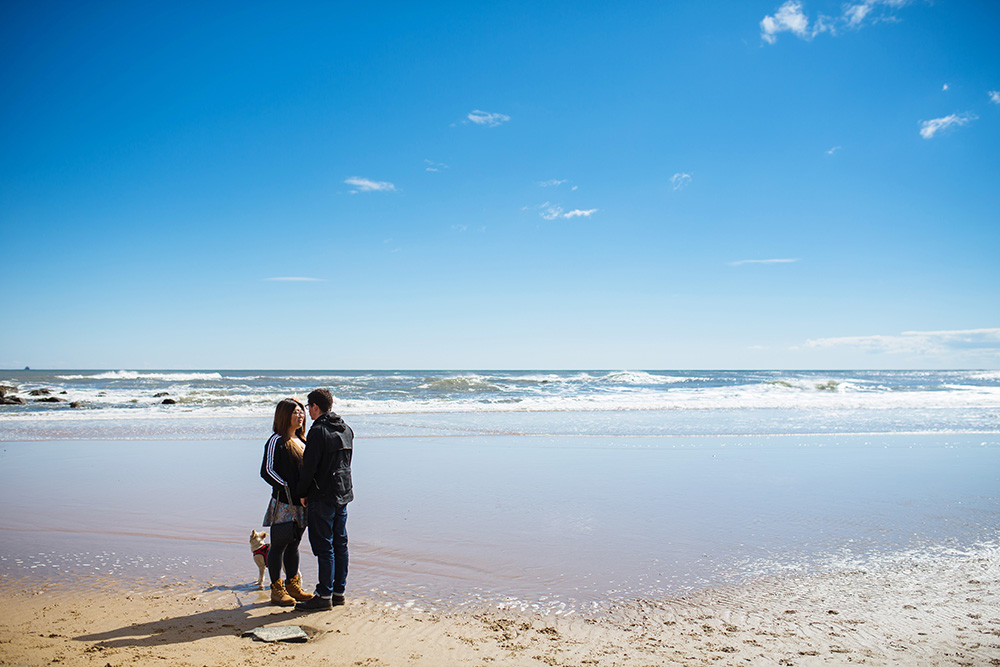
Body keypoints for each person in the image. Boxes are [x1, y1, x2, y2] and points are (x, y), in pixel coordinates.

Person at [294, 388, 354, 611]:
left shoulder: (318, 431)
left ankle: (323, 594)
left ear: (315, 407)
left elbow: (309, 467)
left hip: (323, 495)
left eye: (308, 407)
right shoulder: (346, 429)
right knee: (340, 543)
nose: (307, 411)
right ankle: (338, 592)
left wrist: (302, 492)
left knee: (324, 546)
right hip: (343, 492)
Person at [260, 398, 314, 606]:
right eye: (295, 413)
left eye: (302, 412)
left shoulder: (304, 440)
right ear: (284, 416)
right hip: (283, 503)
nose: (300, 416)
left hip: (302, 504)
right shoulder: (276, 440)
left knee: (294, 545)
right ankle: (276, 588)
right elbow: (267, 470)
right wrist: (287, 487)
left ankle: (293, 585)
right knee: (279, 545)